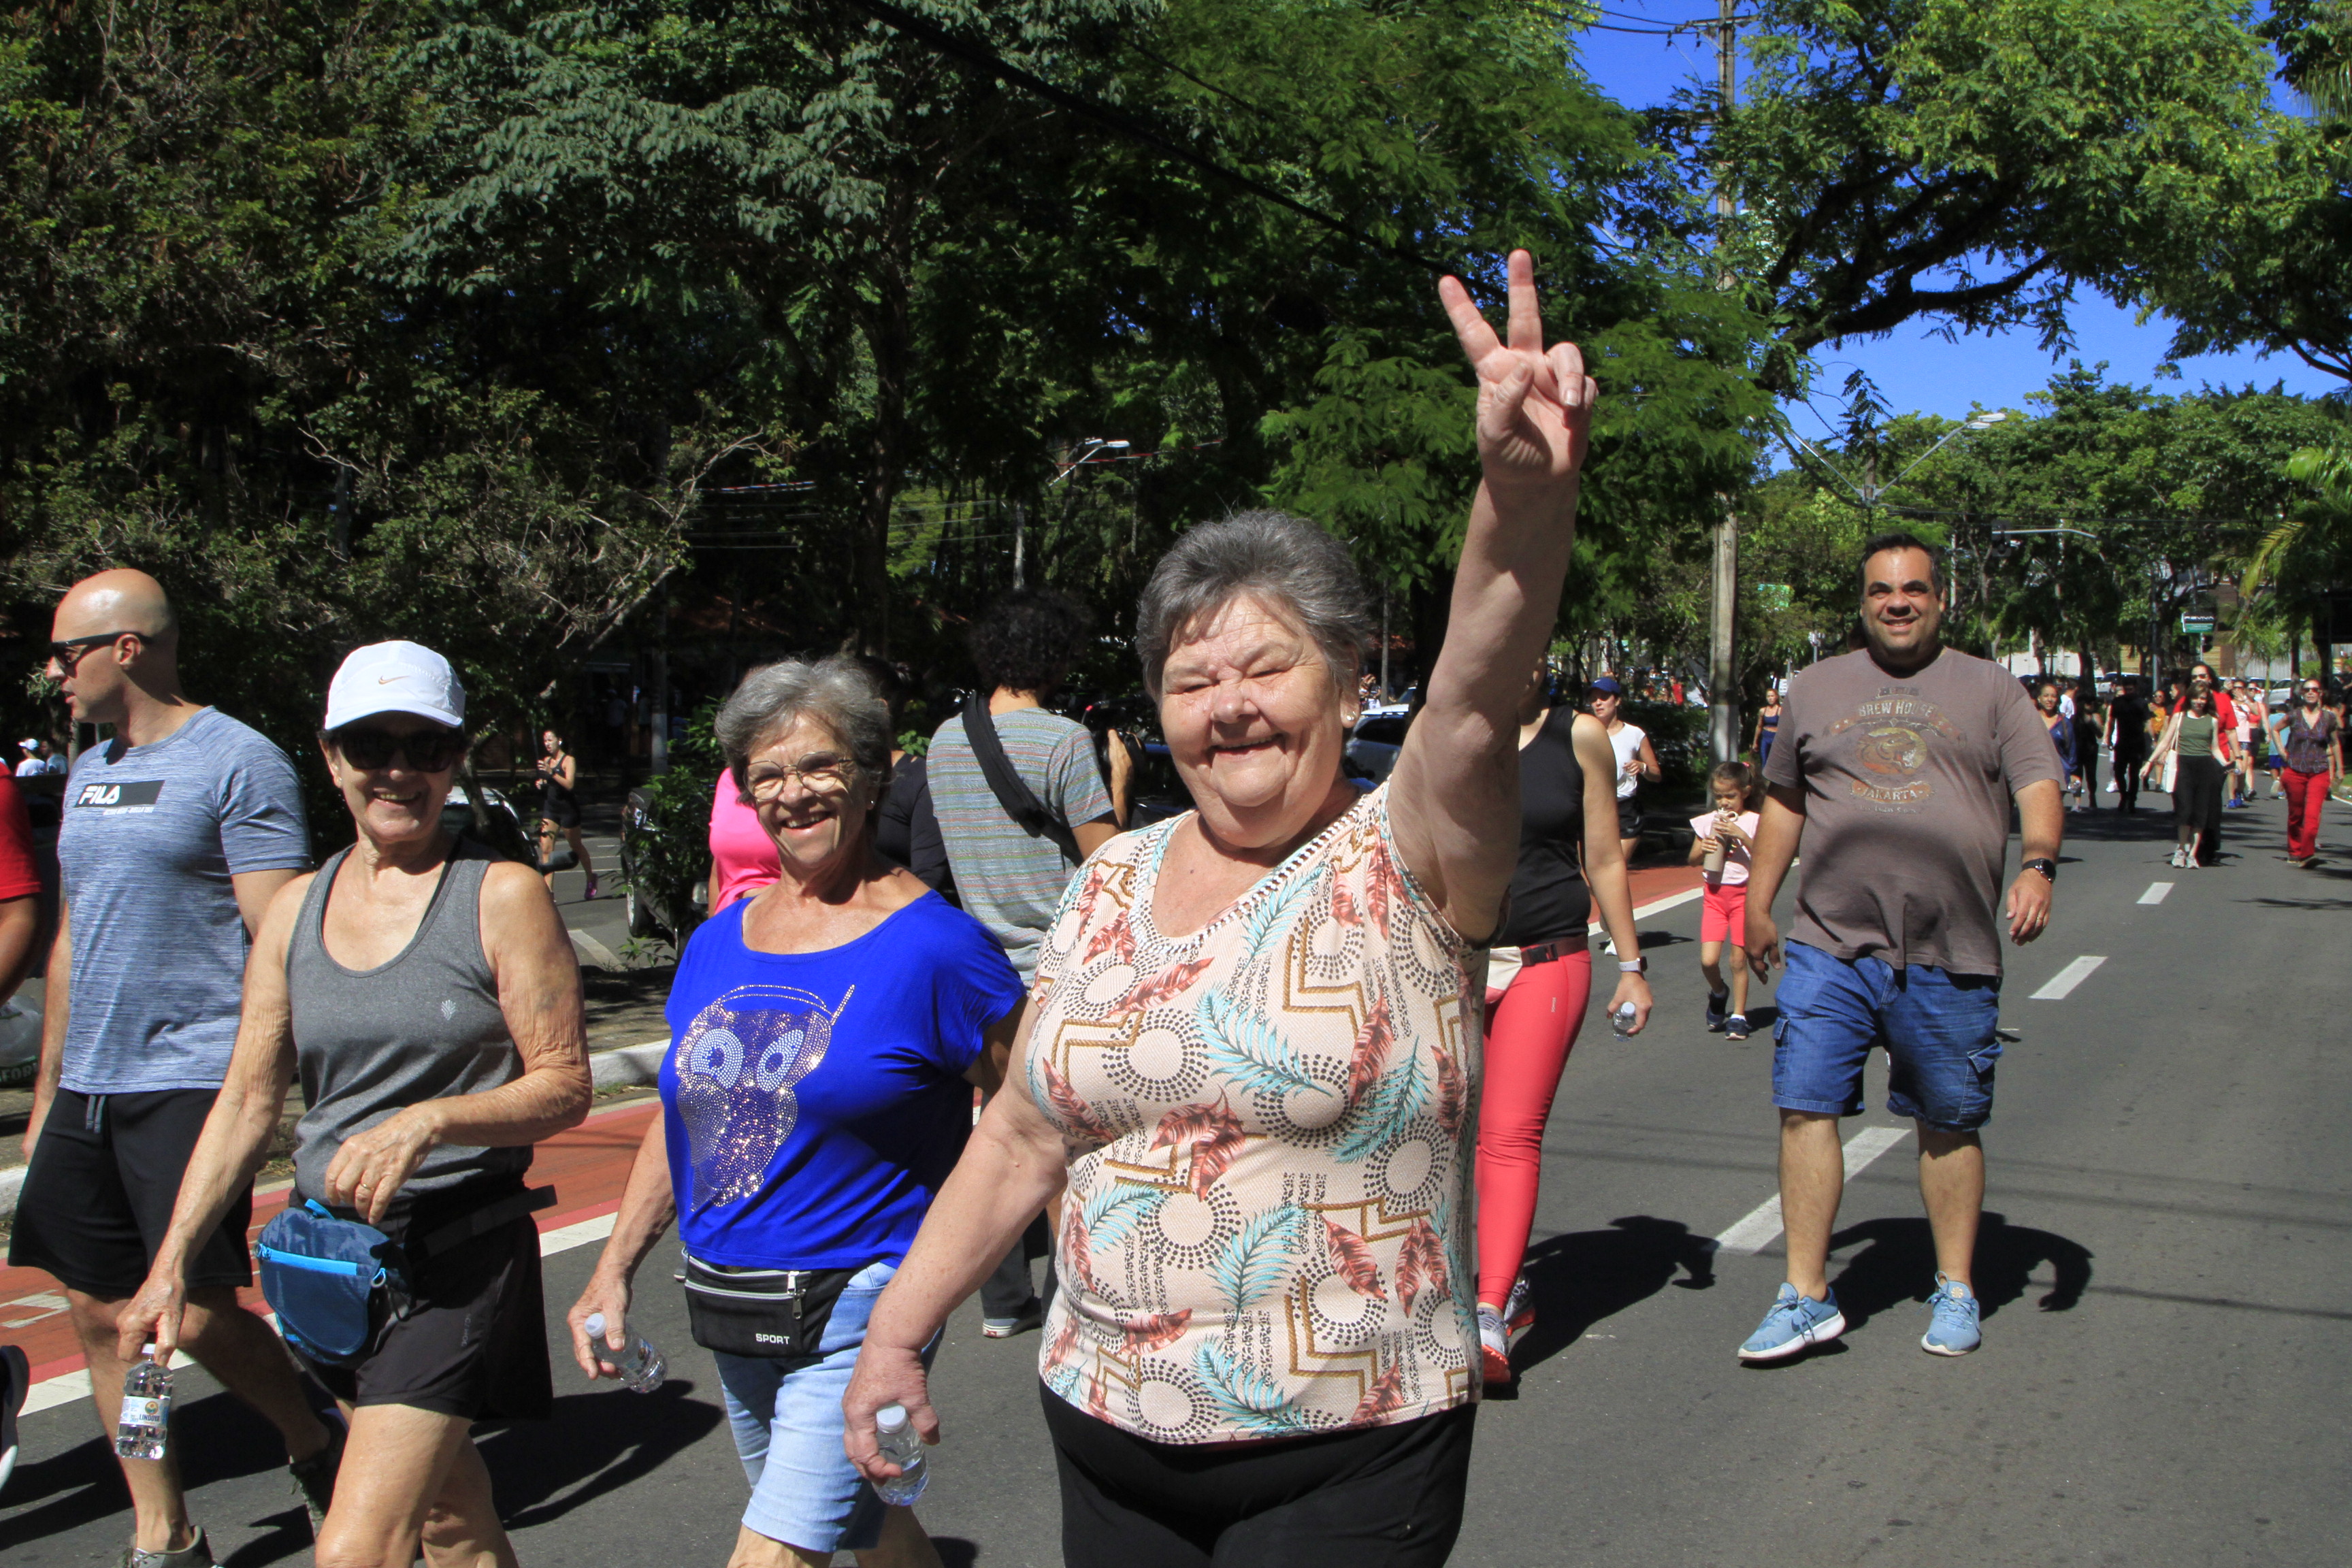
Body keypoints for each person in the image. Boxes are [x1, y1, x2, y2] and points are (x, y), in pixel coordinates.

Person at [842, 250, 1591, 1566]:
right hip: (1105, 1424)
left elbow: (1478, 690)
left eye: (1266, 665)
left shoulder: (1406, 849)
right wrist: (898, 1328)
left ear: (1352, 682)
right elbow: (1021, 1130)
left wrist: (1518, 495)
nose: (1228, 703)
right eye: (1192, 678)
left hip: (1346, 1442)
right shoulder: (1112, 877)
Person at [117, 640, 593, 1568]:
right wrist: (171, 1262)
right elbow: (250, 1100)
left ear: (458, 757)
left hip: (455, 1258)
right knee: (449, 1519)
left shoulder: (501, 895)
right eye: (374, 745)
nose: (400, 771)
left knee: (355, 1549)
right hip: (332, 1268)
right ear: (331, 757)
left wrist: (433, 1119)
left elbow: (566, 1083)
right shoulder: (294, 908)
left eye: (428, 747)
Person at [570, 657, 1022, 1568]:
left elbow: (1028, 1117)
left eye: (819, 766)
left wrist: (944, 1273)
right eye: (767, 775)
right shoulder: (715, 943)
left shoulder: (941, 948)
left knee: (774, 1553)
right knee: (868, 1527)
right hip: (732, 1302)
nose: (793, 794)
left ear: (871, 773)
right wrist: (613, 1267)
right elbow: (687, 1113)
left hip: (862, 1304)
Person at [10, 569, 336, 1564]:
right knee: (103, 1317)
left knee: (186, 1311)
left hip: (192, 1077)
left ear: (129, 648)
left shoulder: (237, 762)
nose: (53, 673)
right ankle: (164, 1527)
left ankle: (313, 1430)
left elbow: (277, 936)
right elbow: (74, 940)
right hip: (90, 1088)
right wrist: (48, 1091)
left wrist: (274, 1082)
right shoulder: (91, 768)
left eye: (66, 653)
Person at [1740, 533, 2063, 1362]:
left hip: (1950, 949)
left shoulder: (1991, 690)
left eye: (1914, 589)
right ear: (1862, 603)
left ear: (1939, 601)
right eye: (1882, 590)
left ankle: (1956, 1286)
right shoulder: (1813, 689)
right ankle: (1806, 1294)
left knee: (1947, 1121)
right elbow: (1783, 800)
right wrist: (1758, 903)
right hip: (1831, 944)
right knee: (1805, 1103)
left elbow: (2037, 781)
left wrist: (2037, 866)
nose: (1898, 602)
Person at [925, 588, 1124, 1337]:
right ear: (1056, 657)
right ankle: (1077, 1290)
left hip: (978, 962)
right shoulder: (1066, 741)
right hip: (1056, 960)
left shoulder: (945, 741)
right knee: (1062, 1134)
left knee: (999, 1125)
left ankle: (1002, 1299)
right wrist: (1123, 787)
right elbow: (1108, 861)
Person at [1473, 660, 1653, 1385]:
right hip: (1453, 958)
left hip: (1548, 956)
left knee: (1508, 1134)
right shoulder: (1451, 729)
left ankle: (1488, 1313)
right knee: (1444, 1132)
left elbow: (1604, 856)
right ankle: (1492, 1281)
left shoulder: (1578, 736)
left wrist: (1631, 964)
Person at [1688, 762, 1763, 1040]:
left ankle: (1739, 1015)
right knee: (1708, 961)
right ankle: (1719, 993)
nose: (1723, 802)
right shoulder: (1708, 821)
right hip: (1715, 897)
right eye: (1719, 796)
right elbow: (1693, 859)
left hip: (1743, 895)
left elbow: (1766, 855)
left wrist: (1741, 836)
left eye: (1729, 796)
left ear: (1745, 792)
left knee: (1737, 960)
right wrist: (1704, 847)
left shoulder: (1754, 821)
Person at [2150, 685, 2232, 868]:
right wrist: (2149, 762)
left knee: (2200, 813)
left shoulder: (2213, 720)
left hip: (2205, 768)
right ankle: (2181, 849)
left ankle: (2193, 854)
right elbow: (2165, 741)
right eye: (2196, 698)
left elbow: (2215, 748)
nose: (2199, 702)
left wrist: (2225, 763)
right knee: (2185, 810)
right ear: (2190, 699)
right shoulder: (2179, 718)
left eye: (2203, 698)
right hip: (2184, 766)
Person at [1588, 676, 1659, 869]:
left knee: (1616, 868)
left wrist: (1642, 767)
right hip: (1593, 807)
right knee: (1590, 871)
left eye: (1604, 697)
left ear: (1617, 701)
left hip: (1625, 808)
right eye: (1594, 699)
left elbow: (1655, 773)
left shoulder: (1634, 734)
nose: (1598, 703)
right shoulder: (1583, 732)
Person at [2278, 677, 2340, 866]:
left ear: (2320, 694)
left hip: (2319, 770)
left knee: (2313, 814)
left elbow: (2335, 743)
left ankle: (2307, 854)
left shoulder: (2329, 718)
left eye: (2315, 689)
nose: (2311, 692)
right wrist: (2282, 751)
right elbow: (2275, 729)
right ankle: (2294, 850)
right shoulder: (2294, 715)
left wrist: (2338, 769)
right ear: (2302, 694)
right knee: (2296, 814)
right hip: (2295, 770)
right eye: (2307, 690)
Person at [536, 726, 600, 900]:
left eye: (550, 740)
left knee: (576, 846)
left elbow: (569, 784)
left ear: (559, 741)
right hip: (551, 808)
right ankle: (549, 893)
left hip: (568, 810)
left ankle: (590, 877)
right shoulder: (547, 760)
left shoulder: (568, 760)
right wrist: (541, 782)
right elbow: (546, 780)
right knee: (546, 848)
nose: (547, 744)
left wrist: (552, 774)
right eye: (545, 741)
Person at [2104, 676, 2151, 812]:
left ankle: (2132, 799)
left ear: (2135, 688)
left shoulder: (2141, 703)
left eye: (2131, 689)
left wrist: (2152, 739)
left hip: (2137, 742)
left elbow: (2147, 721)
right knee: (2119, 771)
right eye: (2126, 689)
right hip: (2122, 741)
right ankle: (2124, 795)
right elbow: (2112, 721)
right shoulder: (2118, 702)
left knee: (2134, 773)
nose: (2128, 691)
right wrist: (2108, 737)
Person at [2037, 682, 2082, 809]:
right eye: (2046, 696)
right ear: (2039, 698)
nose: (2049, 700)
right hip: (2036, 771)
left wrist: (2073, 772)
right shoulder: (2031, 720)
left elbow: (2071, 749)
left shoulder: (2064, 723)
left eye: (2053, 696)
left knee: (2053, 807)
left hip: (2059, 772)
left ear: (2058, 700)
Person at [1751, 684, 1784, 771]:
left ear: (1776, 697)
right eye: (1768, 696)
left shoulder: (1780, 710)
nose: (1770, 698)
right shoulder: (1763, 710)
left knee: (1776, 760)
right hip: (1765, 737)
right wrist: (1755, 742)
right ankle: (1764, 779)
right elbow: (1759, 726)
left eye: (1772, 696)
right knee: (1764, 759)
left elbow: (1784, 727)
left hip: (1776, 738)